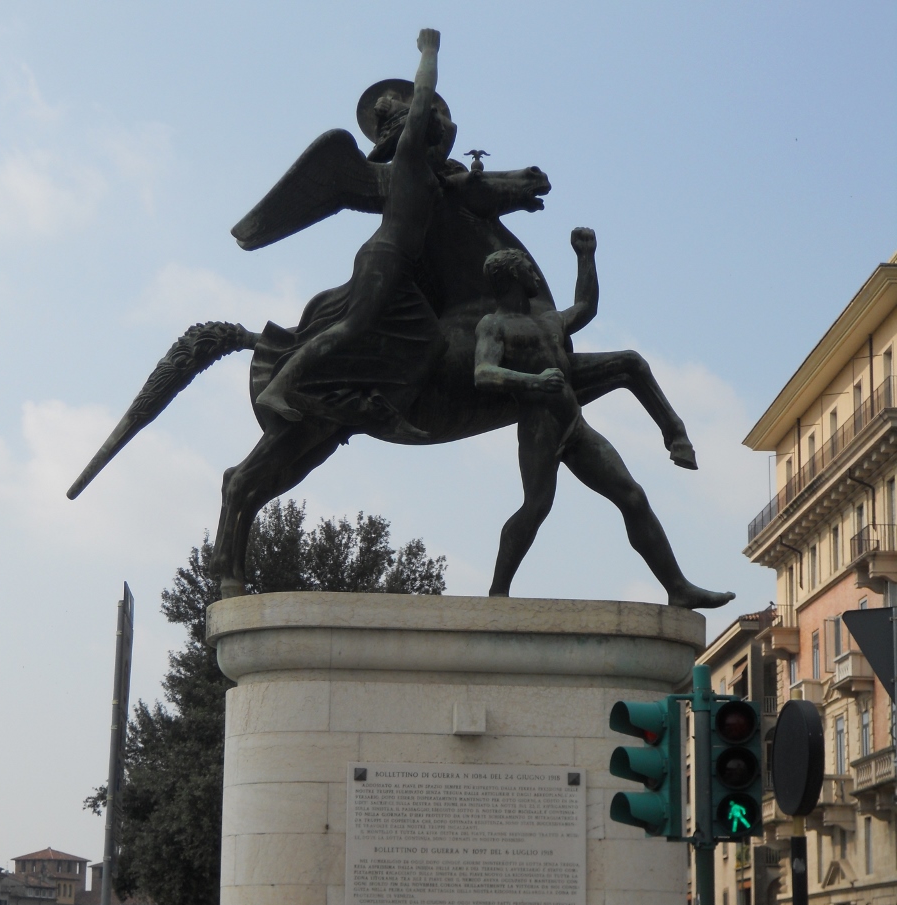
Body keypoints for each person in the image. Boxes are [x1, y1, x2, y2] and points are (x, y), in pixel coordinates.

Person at [473, 244, 736, 608]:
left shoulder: (549, 320)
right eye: (530, 270)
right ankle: (498, 592)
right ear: (514, 276)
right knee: (535, 508)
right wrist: (532, 383)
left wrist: (585, 255)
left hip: (574, 427)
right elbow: (483, 373)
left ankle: (677, 587)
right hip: (540, 431)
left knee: (633, 496)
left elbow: (586, 306)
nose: (537, 275)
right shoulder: (494, 325)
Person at [254, 28, 451, 438]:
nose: (440, 125)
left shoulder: (425, 169)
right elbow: (423, 102)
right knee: (354, 326)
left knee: (432, 340)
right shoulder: (409, 157)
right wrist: (429, 51)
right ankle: (279, 386)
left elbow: (444, 132)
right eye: (432, 118)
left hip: (401, 263)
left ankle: (386, 408)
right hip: (386, 256)